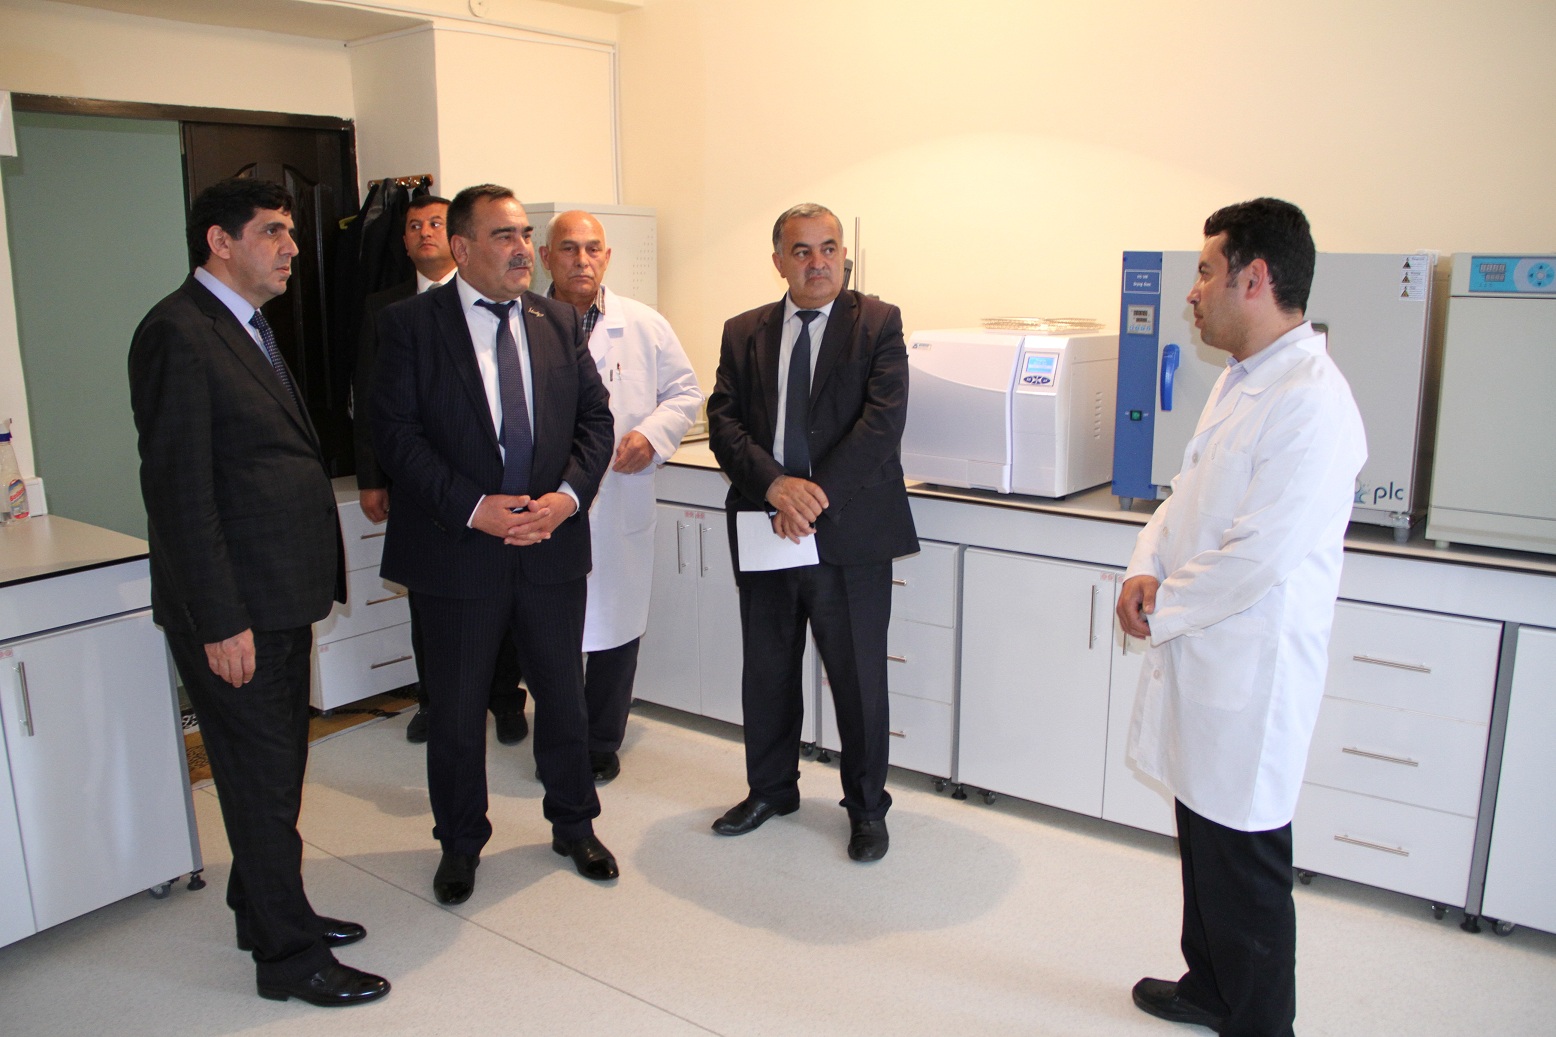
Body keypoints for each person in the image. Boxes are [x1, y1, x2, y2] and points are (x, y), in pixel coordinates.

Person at [128, 178, 389, 1007]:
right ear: (220, 240)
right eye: (273, 231)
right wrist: (220, 620)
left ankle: (264, 906)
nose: (292, 247)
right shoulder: (178, 332)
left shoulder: (245, 326)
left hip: (278, 596)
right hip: (235, 610)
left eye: (290, 231)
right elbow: (179, 495)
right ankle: (288, 960)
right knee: (260, 779)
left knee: (275, 771)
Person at [1116, 198, 1367, 1037]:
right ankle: (1211, 986)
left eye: (1205, 271)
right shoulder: (1241, 379)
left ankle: (1260, 1019)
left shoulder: (1312, 402)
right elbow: (1186, 494)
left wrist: (1167, 605)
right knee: (1202, 833)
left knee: (1246, 858)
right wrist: (1145, 565)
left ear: (1253, 278)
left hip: (1251, 672)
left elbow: (1260, 555)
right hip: (1203, 650)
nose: (1192, 292)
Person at [371, 184, 617, 904]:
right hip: (455, 550)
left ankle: (574, 823)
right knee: (455, 710)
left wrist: (567, 498)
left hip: (548, 543)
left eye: (524, 234)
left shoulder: (558, 319)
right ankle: (459, 842)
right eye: (504, 235)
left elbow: (596, 422)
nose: (521, 249)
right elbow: (397, 437)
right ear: (461, 247)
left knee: (563, 699)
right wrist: (474, 509)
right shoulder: (409, 326)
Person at [705, 203, 918, 862]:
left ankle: (867, 808)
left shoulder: (877, 322)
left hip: (847, 532)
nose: (818, 262)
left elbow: (881, 425)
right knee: (767, 670)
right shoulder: (744, 331)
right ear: (779, 261)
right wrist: (774, 486)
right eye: (802, 251)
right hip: (764, 521)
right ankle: (771, 789)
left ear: (844, 255)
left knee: (857, 679)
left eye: (829, 248)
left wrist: (808, 498)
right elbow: (724, 423)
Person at [352, 195, 527, 747]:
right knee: (433, 610)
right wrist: (371, 476)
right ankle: (436, 701)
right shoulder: (390, 311)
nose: (423, 232)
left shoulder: (521, 309)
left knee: (508, 609)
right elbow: (374, 403)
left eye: (434, 221)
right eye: (413, 225)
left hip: (510, 494)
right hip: (431, 496)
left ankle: (505, 699)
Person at [537, 209, 703, 784]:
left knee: (614, 624)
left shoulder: (644, 324)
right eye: (568, 249)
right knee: (549, 628)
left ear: (607, 257)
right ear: (546, 258)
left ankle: (602, 740)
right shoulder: (523, 321)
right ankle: (558, 736)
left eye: (593, 249)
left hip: (617, 498)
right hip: (547, 500)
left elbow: (685, 393)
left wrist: (651, 435)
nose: (581, 260)